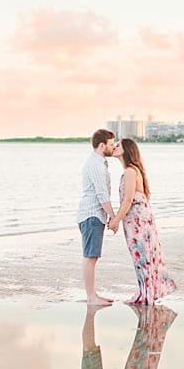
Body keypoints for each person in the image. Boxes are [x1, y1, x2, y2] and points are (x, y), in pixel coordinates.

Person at [108, 138, 176, 305]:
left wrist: (115, 220)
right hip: (137, 218)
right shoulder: (131, 171)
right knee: (142, 255)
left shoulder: (131, 171)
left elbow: (128, 200)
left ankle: (147, 293)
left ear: (127, 150)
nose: (115, 147)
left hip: (138, 220)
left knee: (142, 255)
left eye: (118, 145)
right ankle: (146, 291)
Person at [78, 129, 117, 306]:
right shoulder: (96, 165)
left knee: (93, 256)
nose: (113, 147)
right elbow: (102, 195)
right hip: (91, 215)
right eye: (110, 144)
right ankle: (91, 296)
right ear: (102, 146)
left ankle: (93, 294)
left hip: (94, 215)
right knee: (90, 256)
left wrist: (109, 217)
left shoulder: (99, 163)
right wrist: (114, 217)